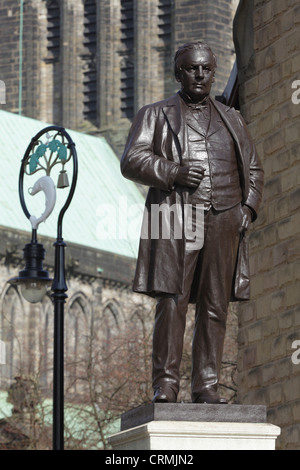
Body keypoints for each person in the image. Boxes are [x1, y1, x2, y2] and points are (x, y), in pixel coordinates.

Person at [121, 41, 264, 404]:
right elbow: (132, 159)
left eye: (206, 69)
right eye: (191, 68)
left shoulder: (232, 117)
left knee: (216, 305)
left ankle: (207, 385)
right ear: (178, 73)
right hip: (176, 214)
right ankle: (166, 384)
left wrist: (247, 209)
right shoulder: (155, 114)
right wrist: (174, 172)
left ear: (214, 73)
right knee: (172, 300)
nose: (200, 75)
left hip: (225, 217)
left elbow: (254, 168)